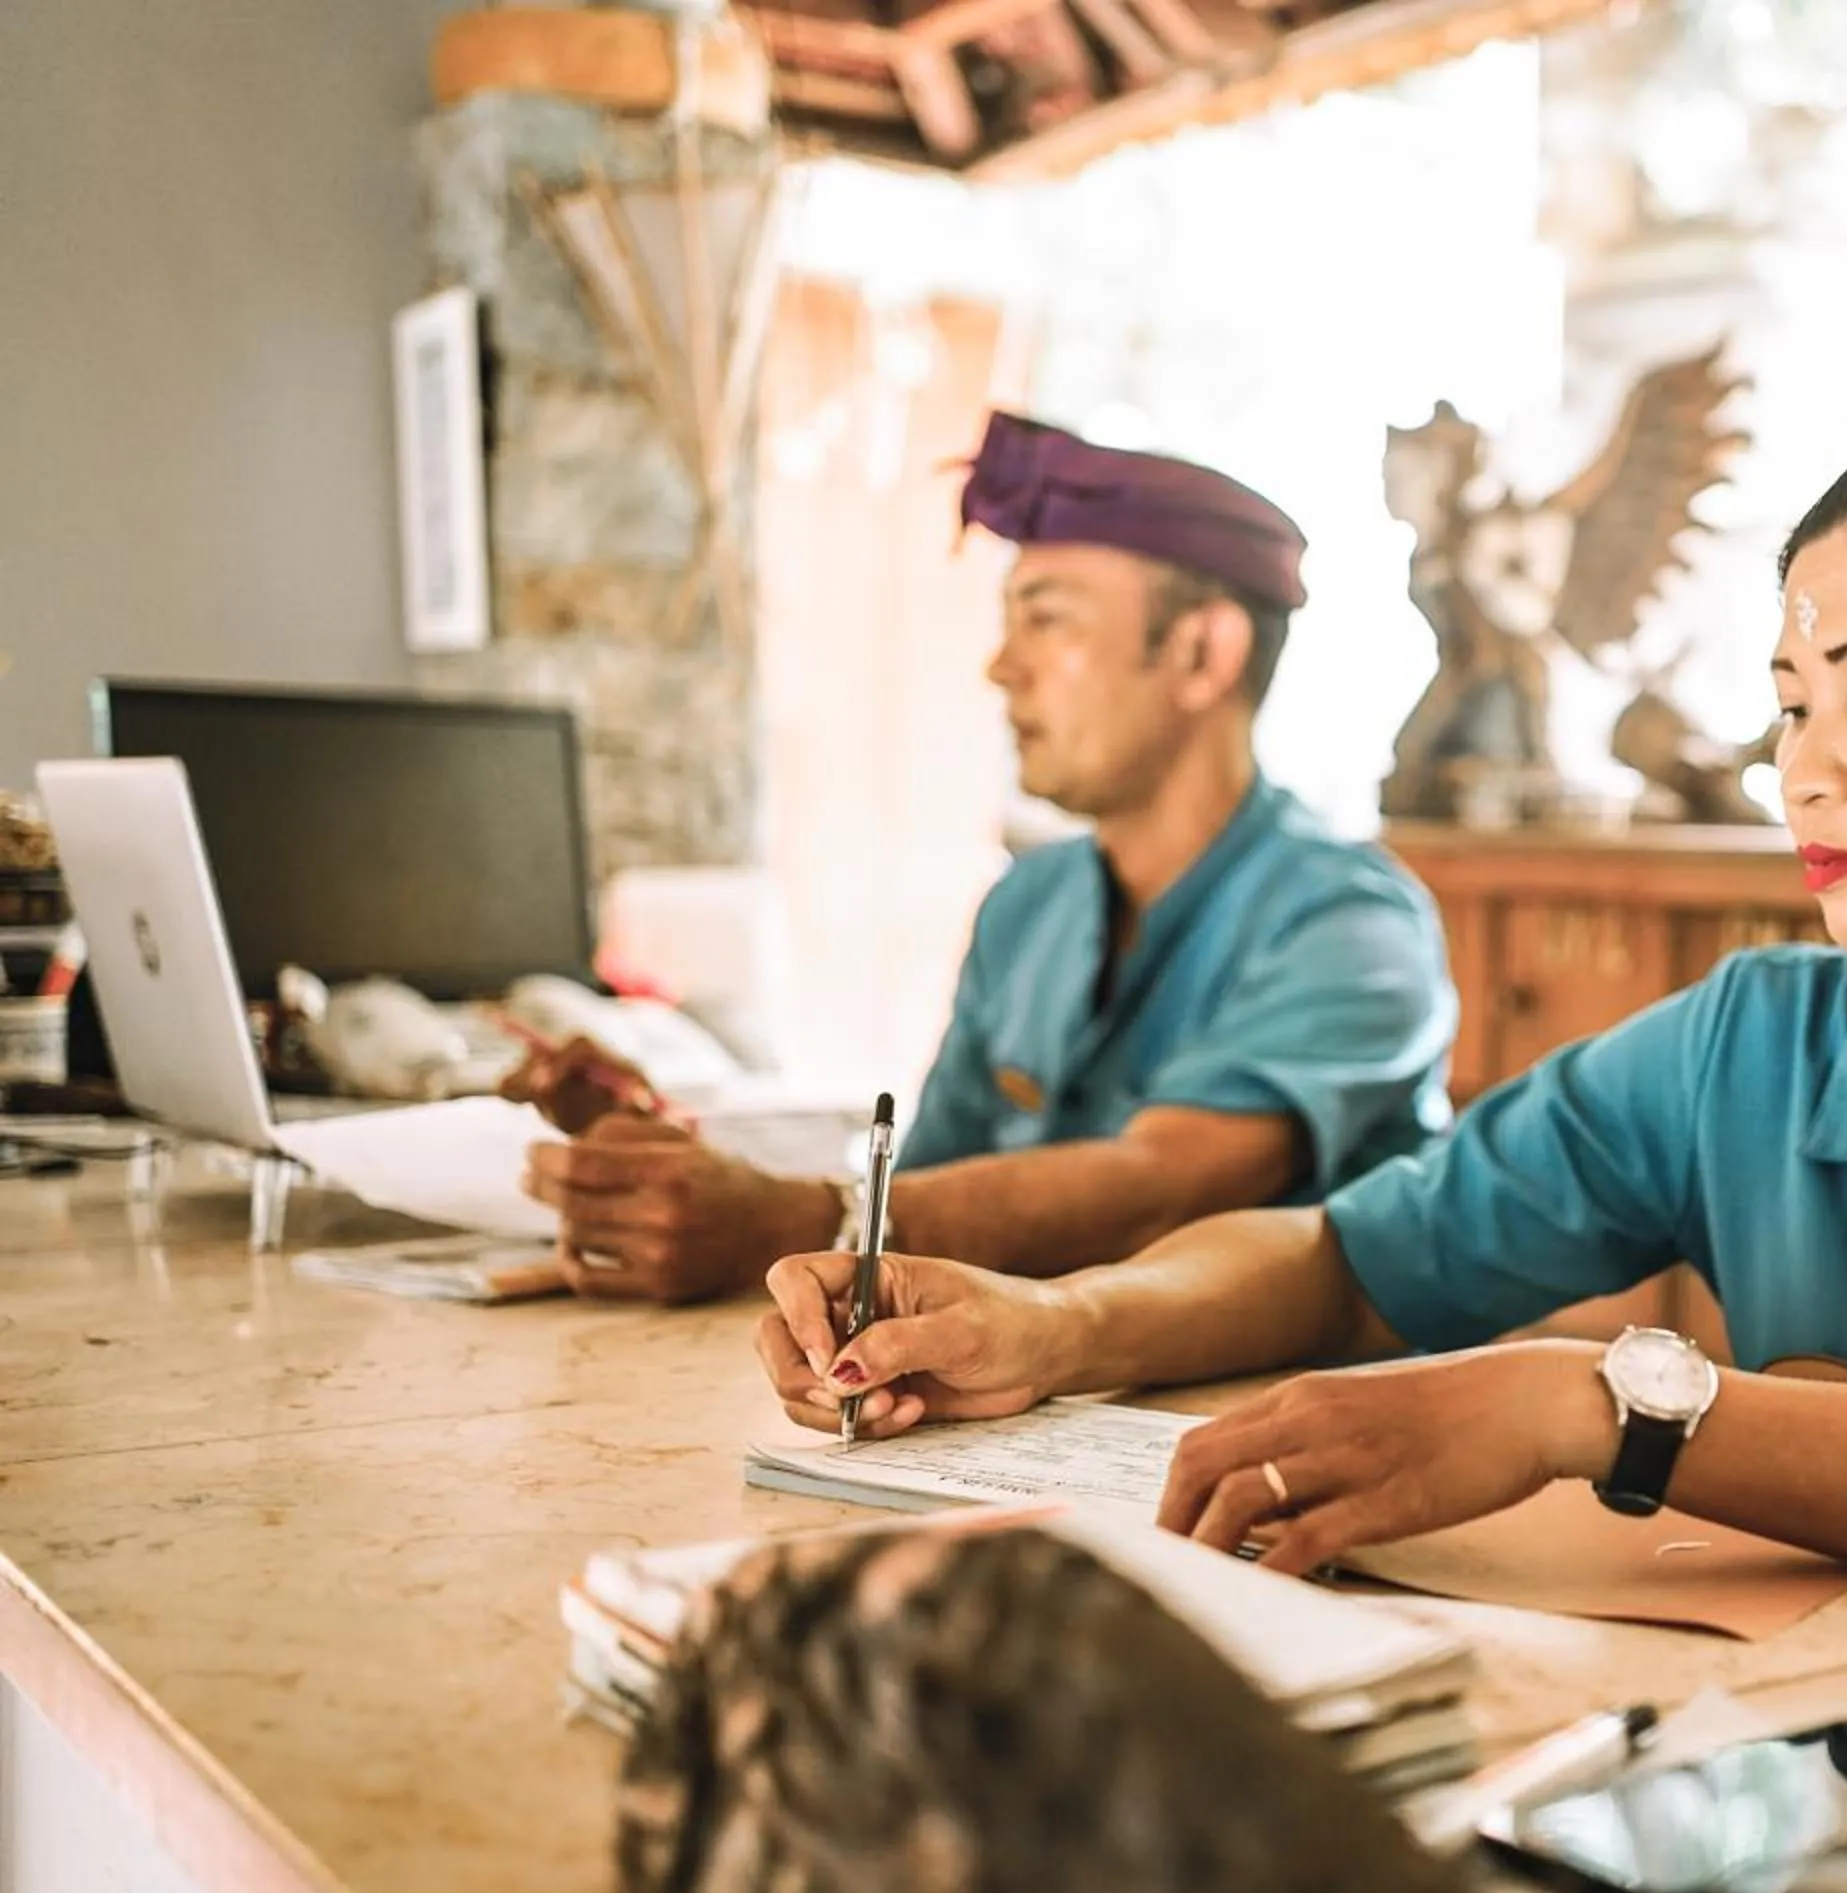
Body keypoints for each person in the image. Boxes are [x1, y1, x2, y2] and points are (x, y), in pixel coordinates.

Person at [751, 421, 1847, 1586]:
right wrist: (1058, 1327)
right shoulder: (1759, 1041)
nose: (1806, 771)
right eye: (1789, 707)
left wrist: (1606, 1409)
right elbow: (1356, 1255)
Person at [510, 414, 1457, 1302]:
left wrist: (801, 1223)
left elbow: (1164, 1186)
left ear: (1202, 653)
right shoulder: (1029, 904)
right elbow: (925, 1189)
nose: (1000, 667)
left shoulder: (1354, 928)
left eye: (1048, 619)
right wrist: (664, 1167)